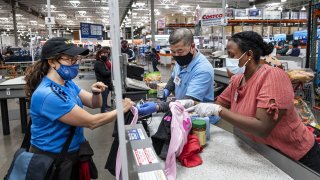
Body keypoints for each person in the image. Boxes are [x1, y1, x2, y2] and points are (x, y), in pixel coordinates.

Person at [186, 31, 320, 173]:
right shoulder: (237, 80)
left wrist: (219, 111)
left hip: (296, 158)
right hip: (263, 153)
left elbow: (261, 127)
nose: (228, 60)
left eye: (232, 55)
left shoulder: (272, 77)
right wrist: (192, 106)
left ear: (249, 55)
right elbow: (218, 104)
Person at [24, 37, 134, 179]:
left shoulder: (67, 83)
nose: (74, 64)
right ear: (52, 62)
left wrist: (95, 93)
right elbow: (91, 122)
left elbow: (95, 104)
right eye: (70, 60)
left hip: (71, 154)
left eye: (76, 59)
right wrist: (121, 109)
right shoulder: (47, 94)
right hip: (52, 160)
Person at [138, 28, 215, 115]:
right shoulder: (182, 61)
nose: (176, 55)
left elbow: (189, 102)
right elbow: (174, 78)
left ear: (192, 47)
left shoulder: (203, 70)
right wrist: (166, 90)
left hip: (200, 119)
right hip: (181, 114)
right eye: (173, 51)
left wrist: (158, 107)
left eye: (180, 51)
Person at [94, 47, 113, 112]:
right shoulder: (98, 63)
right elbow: (104, 73)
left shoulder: (102, 62)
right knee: (103, 97)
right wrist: (112, 71)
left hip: (105, 82)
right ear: (99, 55)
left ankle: (105, 106)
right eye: (103, 53)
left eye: (106, 53)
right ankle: (103, 110)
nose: (105, 55)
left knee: (105, 96)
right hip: (102, 83)